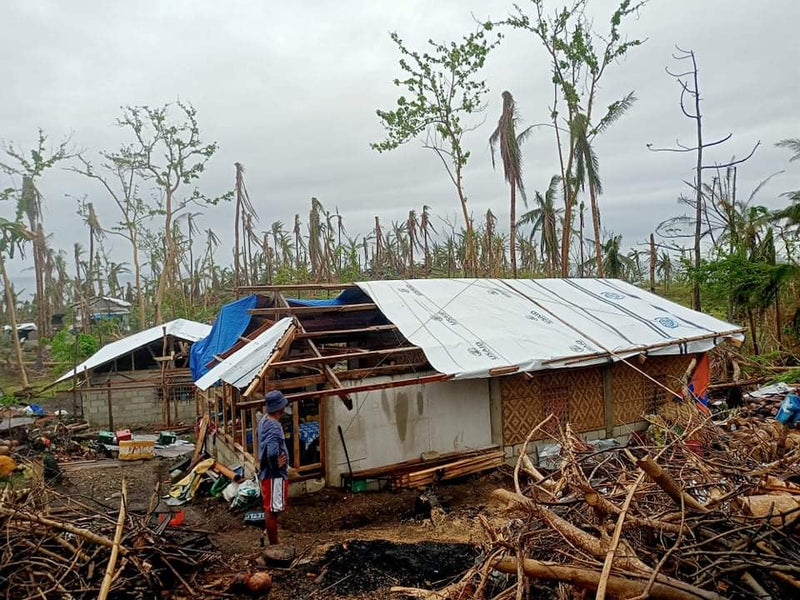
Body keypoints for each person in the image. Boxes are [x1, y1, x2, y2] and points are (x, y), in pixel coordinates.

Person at [258, 390, 290, 545]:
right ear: (280, 407)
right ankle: (274, 546)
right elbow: (272, 453)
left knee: (271, 508)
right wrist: (277, 465)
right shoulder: (274, 426)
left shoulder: (264, 421)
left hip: (268, 475)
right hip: (274, 476)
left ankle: (272, 540)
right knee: (272, 510)